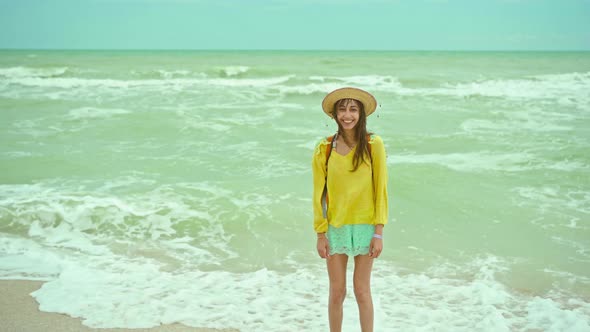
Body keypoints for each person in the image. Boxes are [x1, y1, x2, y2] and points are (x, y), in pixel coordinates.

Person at [312, 87, 389, 332]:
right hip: (335, 227)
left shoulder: (373, 143)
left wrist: (379, 232)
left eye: (353, 109)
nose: (347, 115)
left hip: (366, 226)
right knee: (337, 292)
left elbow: (381, 190)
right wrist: (320, 233)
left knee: (362, 291)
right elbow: (319, 195)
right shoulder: (324, 148)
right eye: (342, 109)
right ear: (334, 115)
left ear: (361, 113)